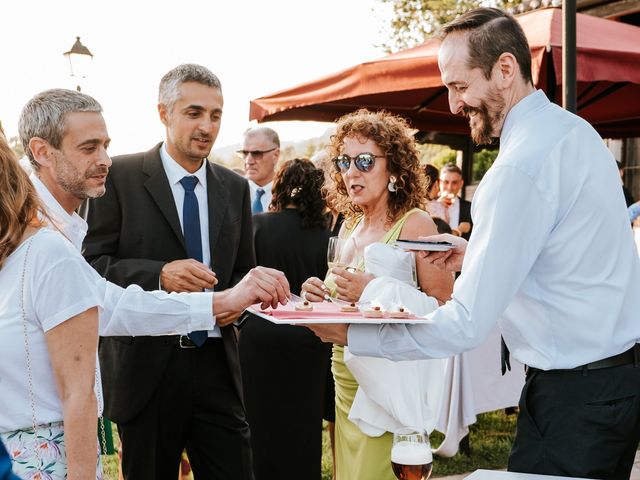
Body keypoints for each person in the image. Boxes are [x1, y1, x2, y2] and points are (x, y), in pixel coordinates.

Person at [305, 8, 640, 480]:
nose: (454, 103)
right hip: (613, 383)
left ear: (505, 69)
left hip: (574, 398)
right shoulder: (575, 131)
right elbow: (573, 251)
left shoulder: (516, 168)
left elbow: (463, 326)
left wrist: (353, 334)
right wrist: (476, 255)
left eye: (460, 86)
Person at [3, 88, 288, 479]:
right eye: (89, 148)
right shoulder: (43, 241)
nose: (104, 160)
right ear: (41, 152)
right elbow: (79, 389)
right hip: (39, 450)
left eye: (106, 145)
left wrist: (223, 301)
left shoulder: (46, 232)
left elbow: (116, 306)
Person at [82, 65, 285, 480]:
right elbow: (91, 268)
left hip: (217, 367)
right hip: (146, 369)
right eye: (194, 113)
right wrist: (159, 275)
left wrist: (250, 298)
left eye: (215, 115)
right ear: (163, 112)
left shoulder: (234, 187)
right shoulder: (118, 177)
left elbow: (241, 272)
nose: (207, 126)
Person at [300, 109, 454, 480]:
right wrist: (317, 295)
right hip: (344, 375)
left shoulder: (416, 222)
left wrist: (373, 289)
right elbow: (345, 301)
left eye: (365, 161)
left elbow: (443, 308)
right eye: (344, 161)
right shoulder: (350, 224)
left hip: (387, 383)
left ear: (395, 168)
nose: (352, 171)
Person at [239, 158, 333, 480]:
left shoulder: (256, 225)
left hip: (259, 336)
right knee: (305, 427)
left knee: (259, 423)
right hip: (310, 338)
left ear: (279, 187)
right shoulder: (327, 235)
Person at [240, 126, 280, 213]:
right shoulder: (231, 193)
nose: (248, 161)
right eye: (245, 153)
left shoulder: (290, 195)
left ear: (275, 155)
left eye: (256, 153)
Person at [437, 163, 473, 238]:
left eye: (454, 183)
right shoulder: (428, 206)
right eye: (446, 182)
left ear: (461, 184)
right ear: (439, 182)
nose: (449, 187)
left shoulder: (470, 208)